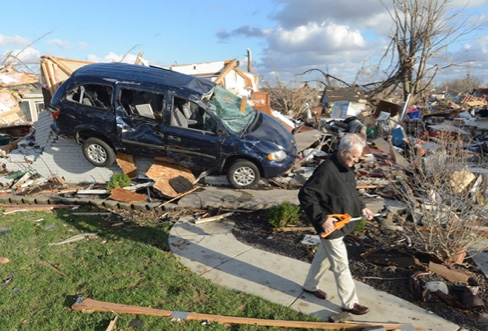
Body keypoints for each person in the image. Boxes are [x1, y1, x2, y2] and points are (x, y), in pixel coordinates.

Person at [298, 133, 375, 315]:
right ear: (342, 151)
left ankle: (310, 285)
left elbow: (351, 192)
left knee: (323, 257)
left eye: (358, 157)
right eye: (354, 156)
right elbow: (306, 194)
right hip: (330, 226)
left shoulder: (346, 167)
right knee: (341, 264)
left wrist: (362, 207)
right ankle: (350, 303)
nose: (356, 161)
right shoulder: (326, 170)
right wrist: (322, 219)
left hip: (342, 224)